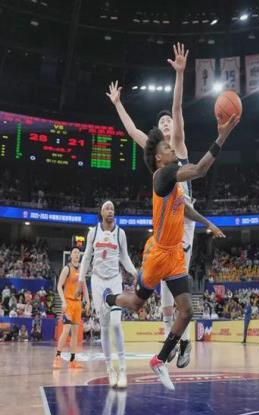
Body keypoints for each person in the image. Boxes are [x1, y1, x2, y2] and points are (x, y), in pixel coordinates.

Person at [106, 43, 224, 368]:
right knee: (167, 289)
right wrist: (118, 104)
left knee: (174, 287)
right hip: (166, 221)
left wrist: (181, 74)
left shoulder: (179, 146)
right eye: (163, 123)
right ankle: (178, 342)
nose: (168, 124)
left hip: (184, 219)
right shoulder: (158, 155)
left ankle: (176, 342)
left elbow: (177, 107)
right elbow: (132, 130)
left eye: (170, 122)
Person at [104, 110, 239, 390]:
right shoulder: (163, 176)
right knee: (136, 304)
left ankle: (159, 360)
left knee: (187, 311)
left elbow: (185, 208)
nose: (172, 150)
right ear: (159, 157)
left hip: (175, 254)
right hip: (158, 255)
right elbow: (200, 170)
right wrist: (222, 136)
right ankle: (110, 298)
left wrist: (208, 224)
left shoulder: (174, 182)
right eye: (167, 148)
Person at [79, 201, 138, 388]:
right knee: (104, 327)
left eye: (112, 208)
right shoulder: (93, 232)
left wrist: (135, 272)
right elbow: (86, 256)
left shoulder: (120, 233)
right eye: (107, 208)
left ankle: (123, 369)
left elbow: (124, 257)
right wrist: (81, 279)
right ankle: (109, 369)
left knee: (116, 324)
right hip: (97, 281)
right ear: (101, 212)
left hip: (114, 281)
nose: (110, 211)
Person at [53, 247, 90, 369]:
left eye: (78, 253)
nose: (77, 254)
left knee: (75, 333)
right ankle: (57, 357)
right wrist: (63, 301)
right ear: (70, 255)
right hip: (68, 303)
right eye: (74, 252)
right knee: (66, 330)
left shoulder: (82, 270)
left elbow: (84, 287)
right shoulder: (67, 268)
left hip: (77, 304)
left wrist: (88, 301)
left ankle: (72, 360)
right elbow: (59, 286)